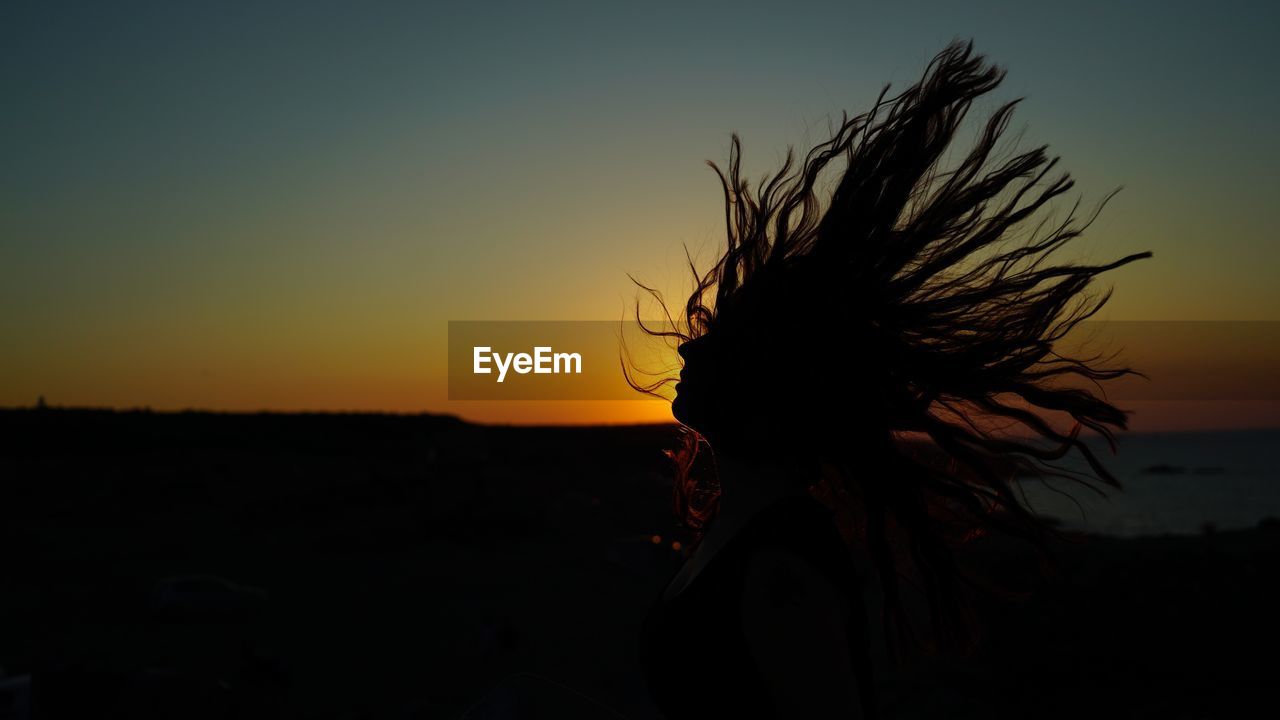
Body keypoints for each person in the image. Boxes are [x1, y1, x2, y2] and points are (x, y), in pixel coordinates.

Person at [630, 40, 1150, 719]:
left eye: (722, 343)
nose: (692, 349)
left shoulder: (781, 567)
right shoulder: (736, 528)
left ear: (771, 396)